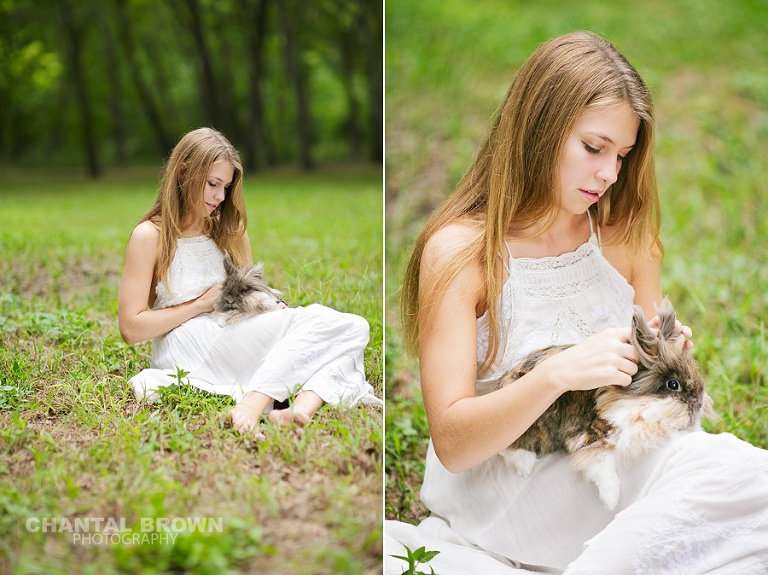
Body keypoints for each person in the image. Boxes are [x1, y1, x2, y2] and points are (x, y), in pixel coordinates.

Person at [385, 32, 768, 574]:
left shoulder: (626, 236)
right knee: (740, 484)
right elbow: (453, 443)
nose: (610, 174)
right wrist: (553, 375)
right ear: (538, 131)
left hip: (619, 462)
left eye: (623, 155)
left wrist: (671, 357)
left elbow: (650, 399)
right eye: (594, 148)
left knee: (736, 483)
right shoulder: (464, 251)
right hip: (515, 483)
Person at [118, 127, 381, 438]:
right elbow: (131, 328)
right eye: (212, 184)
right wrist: (200, 304)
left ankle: (299, 411)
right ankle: (256, 403)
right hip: (185, 343)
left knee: (351, 330)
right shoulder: (150, 236)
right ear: (183, 173)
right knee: (340, 334)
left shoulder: (229, 230)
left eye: (226, 187)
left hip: (233, 330)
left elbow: (250, 294)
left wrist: (274, 306)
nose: (219, 196)